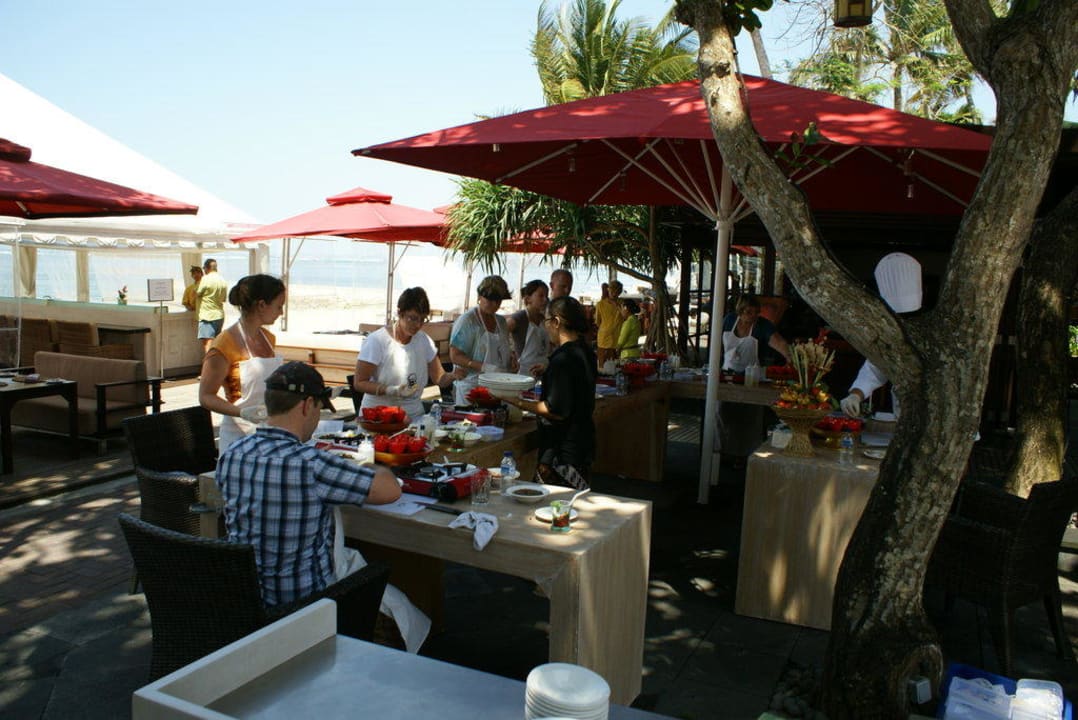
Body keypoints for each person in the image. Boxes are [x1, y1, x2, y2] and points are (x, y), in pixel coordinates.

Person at [216, 362, 430, 653]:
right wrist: (368, 463)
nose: (317, 419)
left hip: (243, 601)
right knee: (397, 601)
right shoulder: (313, 464)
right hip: (307, 608)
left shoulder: (233, 454)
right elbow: (390, 490)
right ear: (307, 406)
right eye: (318, 410)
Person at [501, 297, 595, 490]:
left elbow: (555, 410)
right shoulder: (585, 351)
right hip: (582, 442)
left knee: (554, 505)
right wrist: (549, 371)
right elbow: (576, 383)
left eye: (546, 322)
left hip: (563, 450)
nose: (545, 328)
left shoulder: (563, 359)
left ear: (556, 322)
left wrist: (516, 401)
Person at [199, 274, 286, 454]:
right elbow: (206, 396)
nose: (281, 312)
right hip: (238, 438)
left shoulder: (268, 339)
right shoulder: (224, 345)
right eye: (279, 306)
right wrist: (241, 412)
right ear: (262, 305)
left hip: (269, 433)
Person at [353, 287, 462, 420]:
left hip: (413, 415)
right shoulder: (377, 341)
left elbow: (439, 378)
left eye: (423, 319)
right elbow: (359, 382)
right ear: (400, 312)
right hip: (379, 415)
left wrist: (453, 376)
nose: (418, 325)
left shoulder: (424, 341)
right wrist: (390, 390)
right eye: (413, 318)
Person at [841, 252, 923, 419]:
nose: (900, 322)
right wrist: (855, 395)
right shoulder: (892, 334)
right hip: (905, 416)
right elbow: (876, 367)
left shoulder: (937, 333)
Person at [719, 294, 792, 464]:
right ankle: (722, 453)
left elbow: (780, 343)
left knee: (749, 420)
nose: (753, 317)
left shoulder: (762, 325)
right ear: (740, 311)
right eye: (749, 313)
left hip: (752, 378)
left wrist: (792, 359)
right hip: (727, 376)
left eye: (755, 313)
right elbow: (717, 344)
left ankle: (748, 457)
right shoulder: (729, 320)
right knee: (725, 416)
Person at [449, 275, 517, 376]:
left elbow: (504, 350)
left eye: (498, 301)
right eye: (490, 300)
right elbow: (455, 356)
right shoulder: (468, 321)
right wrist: (481, 366)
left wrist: (511, 360)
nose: (494, 304)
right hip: (472, 383)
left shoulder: (501, 322)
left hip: (499, 380)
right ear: (479, 297)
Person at [506, 279, 553, 378]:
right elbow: (500, 334)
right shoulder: (519, 318)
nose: (545, 300)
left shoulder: (544, 319)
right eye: (541, 296)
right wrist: (510, 354)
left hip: (541, 373)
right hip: (522, 374)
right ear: (528, 299)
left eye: (546, 296)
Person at [196, 258, 229, 354]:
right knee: (216, 343)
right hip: (219, 315)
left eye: (204, 269)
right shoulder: (223, 280)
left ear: (207, 268)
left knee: (208, 344)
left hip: (207, 316)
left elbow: (198, 293)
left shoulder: (205, 279)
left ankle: (209, 366)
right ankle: (216, 365)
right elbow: (223, 299)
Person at [594, 279, 624, 368]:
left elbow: (625, 318)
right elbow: (598, 322)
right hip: (604, 339)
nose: (614, 293)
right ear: (608, 290)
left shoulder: (622, 304)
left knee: (617, 365)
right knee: (602, 366)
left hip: (618, 339)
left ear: (619, 292)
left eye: (616, 291)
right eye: (612, 291)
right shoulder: (600, 304)